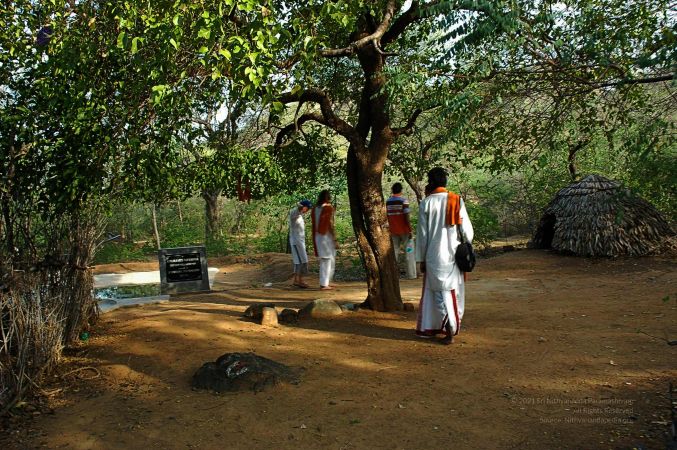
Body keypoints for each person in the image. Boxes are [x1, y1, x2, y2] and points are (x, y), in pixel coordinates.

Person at [415, 167, 473, 345]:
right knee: (451, 292)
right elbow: (467, 232)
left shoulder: (426, 203)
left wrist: (421, 259)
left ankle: (444, 327)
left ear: (430, 182)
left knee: (437, 293)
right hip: (453, 255)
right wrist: (466, 246)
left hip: (433, 255)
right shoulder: (456, 200)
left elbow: (422, 235)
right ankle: (449, 327)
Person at [386, 182, 416, 279]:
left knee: (394, 252)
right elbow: (406, 215)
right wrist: (410, 229)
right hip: (405, 231)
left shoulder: (388, 202)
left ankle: (393, 275)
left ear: (392, 190)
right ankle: (411, 275)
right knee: (409, 250)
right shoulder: (404, 201)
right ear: (401, 190)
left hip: (393, 230)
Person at [311, 190, 337, 290]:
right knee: (326, 259)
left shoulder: (315, 208)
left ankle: (327, 281)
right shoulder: (328, 208)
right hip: (325, 236)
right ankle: (324, 284)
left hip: (318, 236)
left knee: (329, 258)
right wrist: (334, 238)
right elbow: (330, 224)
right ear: (327, 197)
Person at [289, 199, 312, 288]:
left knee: (299, 261)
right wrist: (301, 206)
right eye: (308, 208)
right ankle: (300, 281)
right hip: (296, 242)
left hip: (299, 242)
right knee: (303, 261)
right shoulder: (294, 213)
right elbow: (297, 209)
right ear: (303, 207)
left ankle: (297, 280)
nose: (308, 210)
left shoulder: (300, 215)